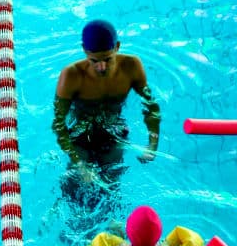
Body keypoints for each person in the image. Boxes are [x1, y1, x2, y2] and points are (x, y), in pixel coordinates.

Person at [52, 20, 161, 208]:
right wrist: (79, 164)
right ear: (84, 51)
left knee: (110, 188)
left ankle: (113, 226)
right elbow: (59, 125)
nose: (101, 67)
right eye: (94, 61)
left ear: (117, 47)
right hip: (80, 136)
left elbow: (151, 106)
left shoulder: (132, 66)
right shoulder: (71, 76)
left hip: (113, 132)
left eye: (107, 59)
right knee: (74, 187)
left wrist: (152, 145)